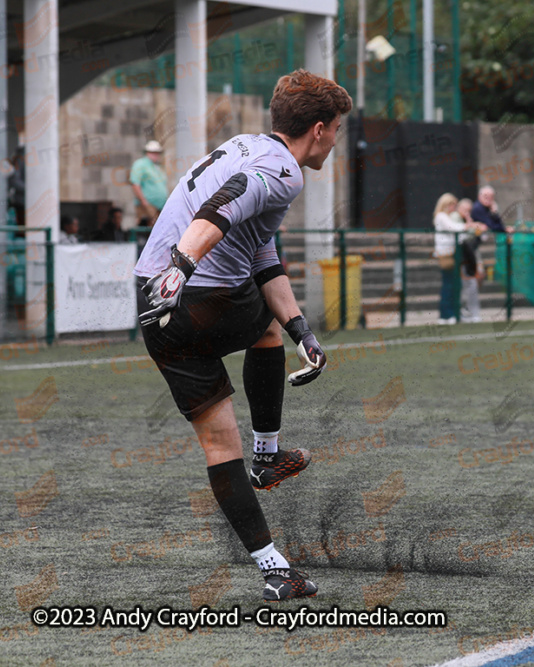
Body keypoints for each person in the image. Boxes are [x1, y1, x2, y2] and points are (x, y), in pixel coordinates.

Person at [134, 70, 352, 602]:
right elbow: (226, 206)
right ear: (319, 129)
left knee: (216, 441)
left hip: (151, 298)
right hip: (197, 291)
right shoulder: (285, 172)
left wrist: (300, 326)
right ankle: (269, 454)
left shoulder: (242, 145)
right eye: (339, 129)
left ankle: (275, 568)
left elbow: (259, 250)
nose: (338, 139)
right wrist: (184, 265)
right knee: (262, 331)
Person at [432, 193, 484, 325]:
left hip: (452, 252)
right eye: (452, 205)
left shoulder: (445, 216)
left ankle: (450, 314)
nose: (454, 208)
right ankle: (446, 315)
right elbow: (454, 228)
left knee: (452, 284)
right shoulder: (441, 216)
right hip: (446, 253)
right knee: (448, 285)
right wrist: (471, 225)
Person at [453, 198, 486, 323]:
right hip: (462, 258)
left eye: (469, 210)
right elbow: (464, 237)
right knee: (468, 285)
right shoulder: (455, 218)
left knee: (472, 284)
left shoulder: (466, 219)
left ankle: (470, 312)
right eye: (464, 210)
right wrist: (471, 225)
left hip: (469, 257)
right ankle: (467, 312)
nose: (467, 213)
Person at [130, 140, 169, 227]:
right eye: (153, 152)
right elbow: (135, 183)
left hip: (160, 206)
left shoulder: (158, 167)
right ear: (147, 152)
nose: (155, 154)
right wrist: (143, 201)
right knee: (151, 227)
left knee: (159, 227)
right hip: (148, 204)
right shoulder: (140, 164)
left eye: (157, 152)